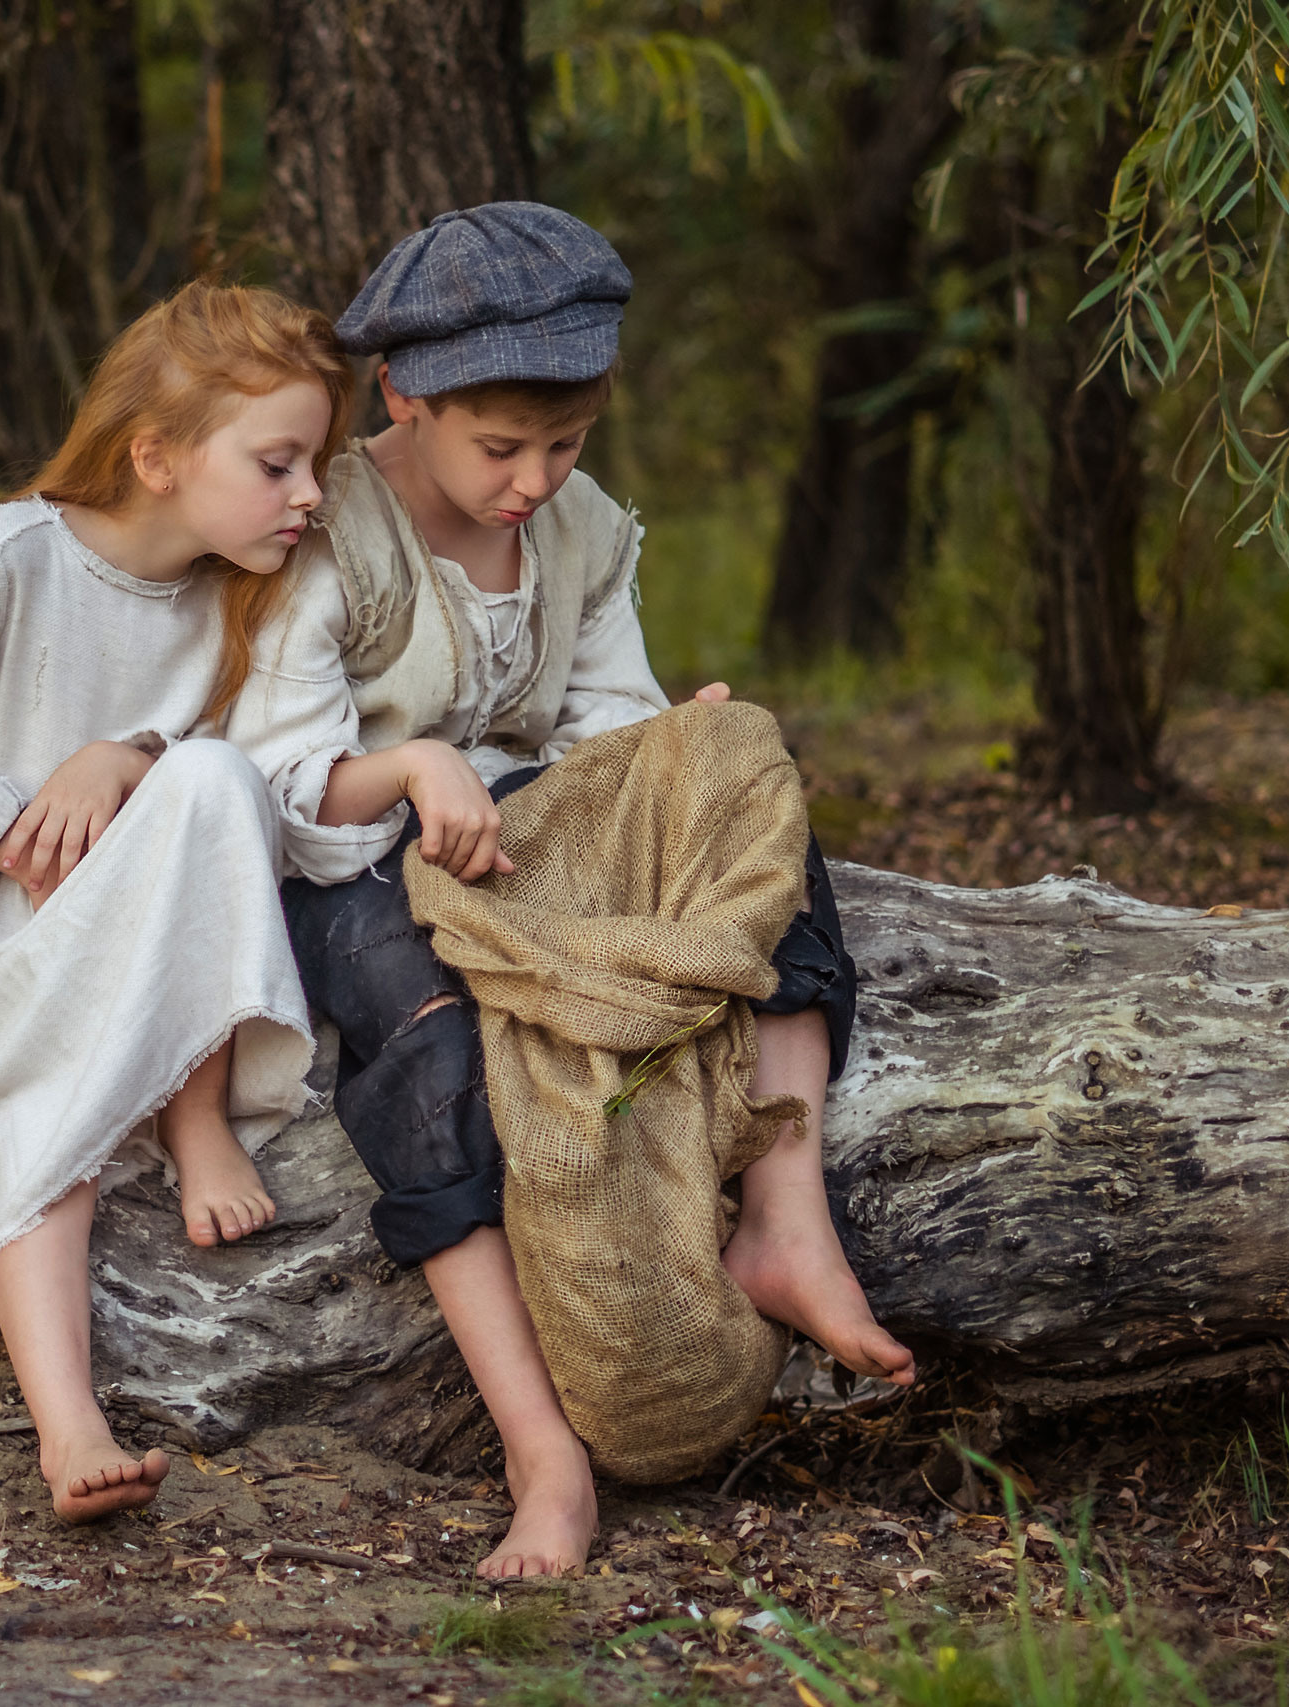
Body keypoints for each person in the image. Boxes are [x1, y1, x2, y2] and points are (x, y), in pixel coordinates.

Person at [226, 204, 916, 1579]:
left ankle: (786, 1218)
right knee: (431, 1054)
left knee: (745, 774)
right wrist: (414, 772)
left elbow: (604, 720)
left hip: (532, 834)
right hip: (354, 863)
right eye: (501, 447)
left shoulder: (581, 530)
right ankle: (542, 1451)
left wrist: (674, 749)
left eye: (568, 444)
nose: (535, 480)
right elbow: (280, 782)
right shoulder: (331, 530)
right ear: (402, 395)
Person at [0, 281, 352, 1523]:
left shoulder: (244, 597)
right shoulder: (3, 561)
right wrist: (13, 831)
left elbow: (243, 796)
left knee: (215, 777)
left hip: (146, 925)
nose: (309, 496)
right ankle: (68, 1429)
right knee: (41, 1125)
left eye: (316, 465)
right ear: (156, 457)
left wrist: (127, 755)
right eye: (277, 464)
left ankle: (196, 1115)